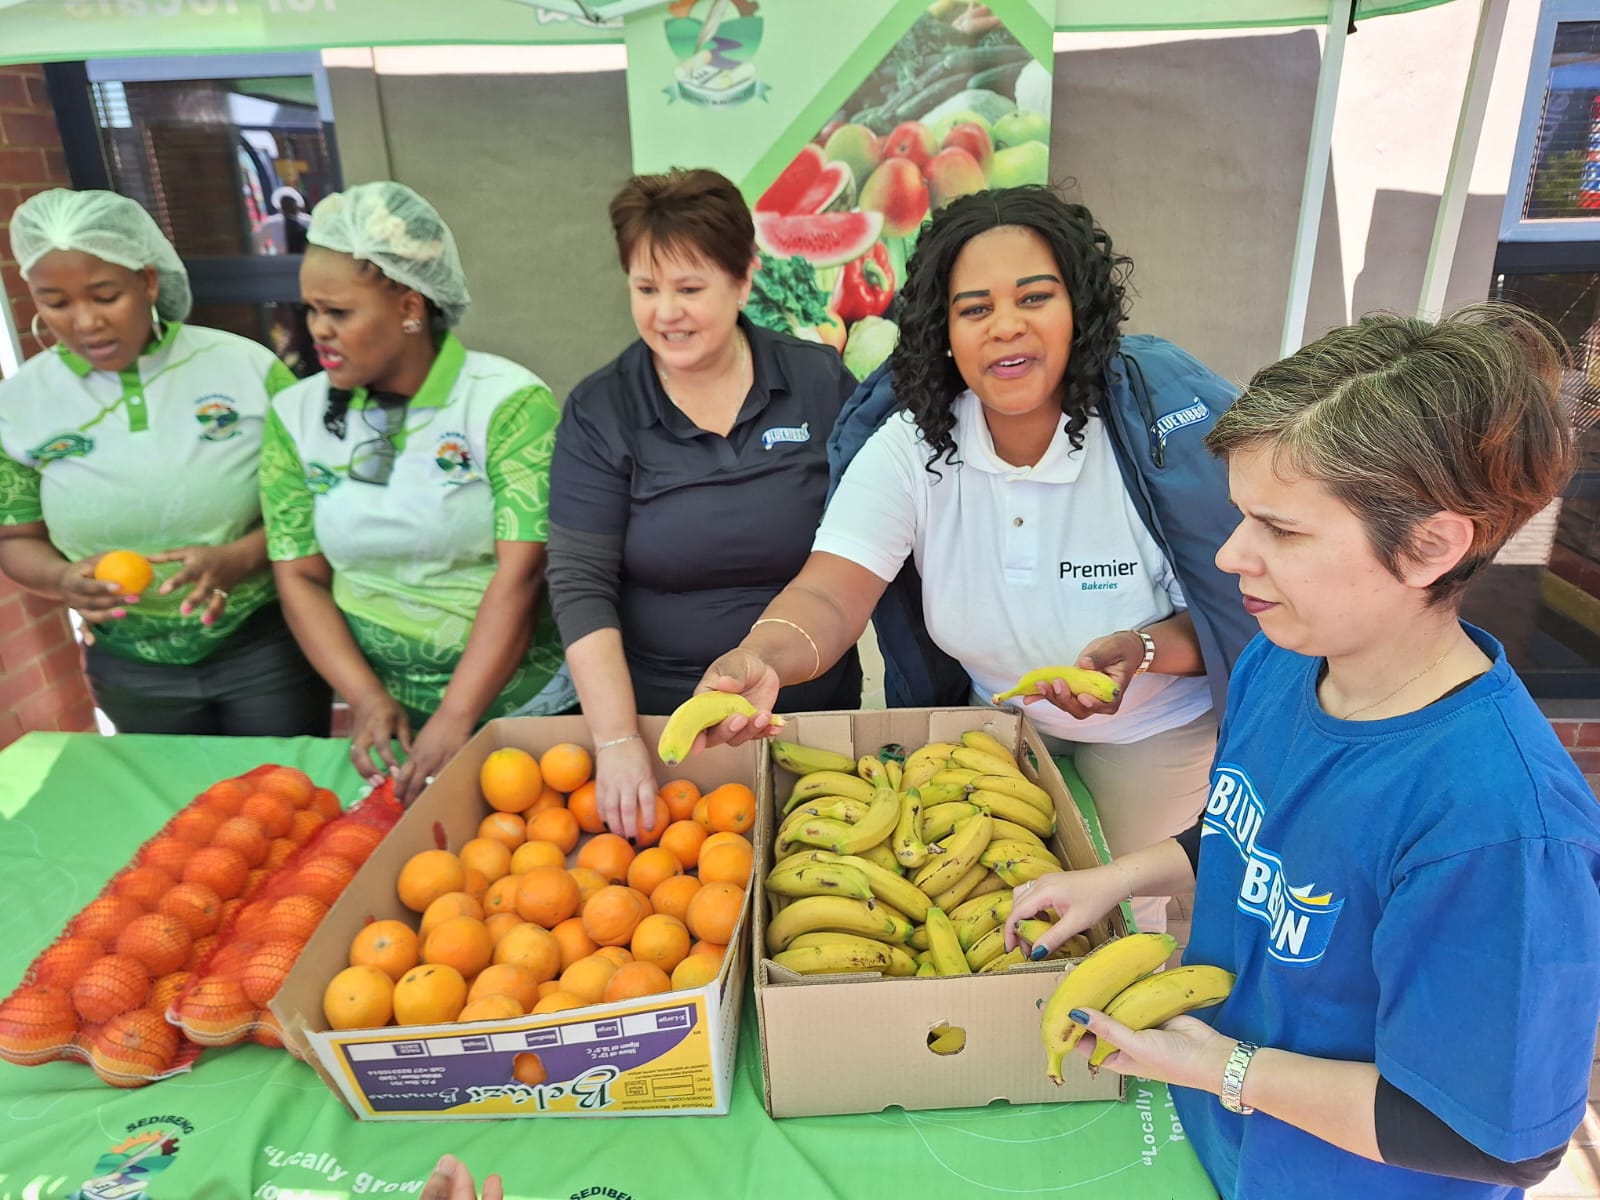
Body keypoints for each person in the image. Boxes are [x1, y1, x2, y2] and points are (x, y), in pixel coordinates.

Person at [1005, 305, 1600, 1198]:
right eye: (1241, 516)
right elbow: (1251, 835)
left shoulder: (1501, 825)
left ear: (1430, 546)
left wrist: (1227, 1070)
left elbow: (1495, 1141)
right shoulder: (1282, 666)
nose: (1234, 554)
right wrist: (1118, 879)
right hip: (1221, 1145)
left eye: (1282, 530)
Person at [696, 187, 1250, 932]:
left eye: (1035, 297)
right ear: (943, 330)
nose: (1007, 327)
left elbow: (1239, 604)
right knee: (996, 925)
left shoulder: (1143, 434)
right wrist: (764, 654)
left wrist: (1143, 649)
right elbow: (829, 596)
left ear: (1078, 309)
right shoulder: (913, 445)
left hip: (1153, 735)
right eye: (975, 308)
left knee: (1143, 923)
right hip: (998, 726)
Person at [546, 167, 861, 839]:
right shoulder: (602, 409)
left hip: (813, 713)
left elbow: (877, 542)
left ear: (744, 280)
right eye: (645, 288)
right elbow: (580, 584)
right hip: (666, 731)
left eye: (690, 289)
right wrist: (617, 740)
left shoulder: (817, 383)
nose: (665, 312)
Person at [259, 181, 571, 804]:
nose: (318, 330)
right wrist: (367, 699)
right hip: (390, 726)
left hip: (520, 711)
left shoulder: (506, 402)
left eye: (338, 312)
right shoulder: (293, 415)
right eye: (310, 310)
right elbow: (298, 574)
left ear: (408, 305)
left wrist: (456, 718)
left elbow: (525, 572)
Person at [0, 188, 330, 736]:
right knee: (173, 805)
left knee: (287, 794)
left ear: (148, 282)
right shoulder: (19, 405)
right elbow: (15, 539)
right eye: (56, 302)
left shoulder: (243, 367)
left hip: (263, 644)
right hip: (130, 664)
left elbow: (319, 499)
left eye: (105, 296)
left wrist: (239, 558)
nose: (85, 322)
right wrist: (62, 579)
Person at [253, 185, 311, 257]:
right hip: (284, 261)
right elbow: (256, 239)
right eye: (285, 203)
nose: (289, 206)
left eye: (291, 202)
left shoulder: (308, 221)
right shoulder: (272, 223)